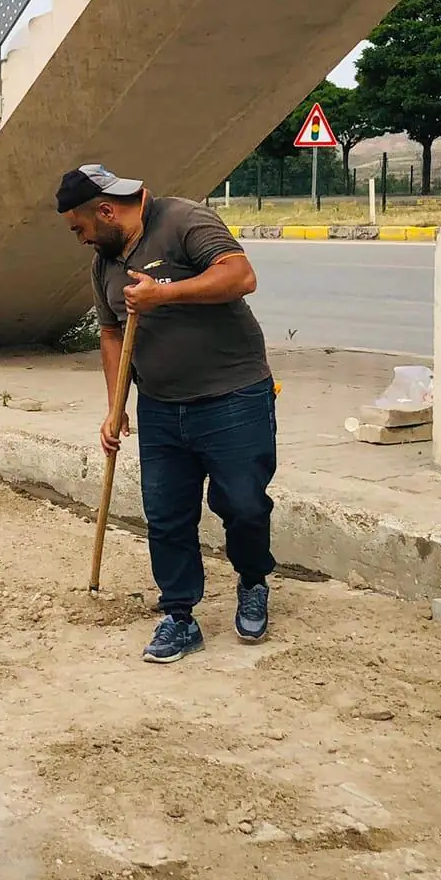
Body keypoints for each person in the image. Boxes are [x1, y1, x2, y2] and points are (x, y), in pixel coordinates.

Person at [56, 163, 276, 664]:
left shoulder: (183, 220)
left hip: (233, 397)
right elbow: (111, 333)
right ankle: (179, 614)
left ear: (107, 211)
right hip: (160, 406)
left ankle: (253, 579)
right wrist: (117, 407)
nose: (81, 239)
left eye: (81, 228)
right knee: (166, 515)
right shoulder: (105, 263)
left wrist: (165, 294)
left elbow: (240, 276)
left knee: (242, 505)